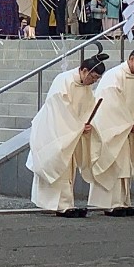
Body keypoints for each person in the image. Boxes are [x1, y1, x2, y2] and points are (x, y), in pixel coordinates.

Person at [27, 54, 105, 218]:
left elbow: (88, 108)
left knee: (68, 169)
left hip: (71, 133)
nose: (94, 81)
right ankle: (56, 205)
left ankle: (65, 204)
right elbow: (59, 110)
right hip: (54, 132)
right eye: (93, 77)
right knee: (56, 164)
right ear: (84, 71)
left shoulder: (86, 88)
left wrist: (86, 124)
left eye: (97, 79)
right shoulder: (63, 81)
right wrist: (78, 126)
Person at [87, 47, 134, 215]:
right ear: (131, 59)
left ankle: (122, 201)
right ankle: (109, 203)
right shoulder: (114, 76)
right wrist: (126, 124)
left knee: (125, 165)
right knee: (113, 163)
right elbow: (111, 104)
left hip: (127, 129)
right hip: (113, 128)